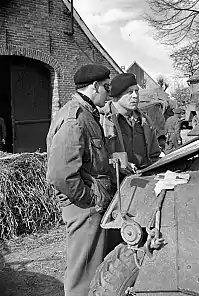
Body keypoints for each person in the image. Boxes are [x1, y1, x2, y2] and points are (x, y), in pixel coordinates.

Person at [46, 64, 113, 296]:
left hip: (89, 205)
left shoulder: (87, 113)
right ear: (95, 86)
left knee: (92, 270)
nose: (109, 92)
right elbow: (60, 174)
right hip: (83, 207)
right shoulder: (75, 118)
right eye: (107, 87)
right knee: (81, 278)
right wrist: (91, 199)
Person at [99, 72, 161, 173]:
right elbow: (97, 158)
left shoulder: (144, 121)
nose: (135, 96)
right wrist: (117, 162)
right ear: (116, 95)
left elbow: (154, 155)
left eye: (136, 91)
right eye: (129, 92)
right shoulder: (102, 120)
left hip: (144, 177)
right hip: (115, 182)